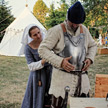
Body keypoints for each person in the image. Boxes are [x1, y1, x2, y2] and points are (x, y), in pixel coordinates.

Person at [38, 1, 97, 102]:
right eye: (72, 22)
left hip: (82, 80)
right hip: (61, 80)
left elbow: (93, 45)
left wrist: (89, 59)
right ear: (67, 18)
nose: (75, 25)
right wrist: (60, 61)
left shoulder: (84, 30)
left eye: (77, 23)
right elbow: (42, 49)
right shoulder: (56, 30)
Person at [21, 24, 52, 108]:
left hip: (51, 73)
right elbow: (31, 66)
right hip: (38, 76)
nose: (38, 36)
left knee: (51, 96)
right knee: (38, 96)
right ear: (30, 36)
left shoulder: (47, 43)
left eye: (39, 32)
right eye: (35, 35)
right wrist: (43, 61)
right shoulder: (28, 47)